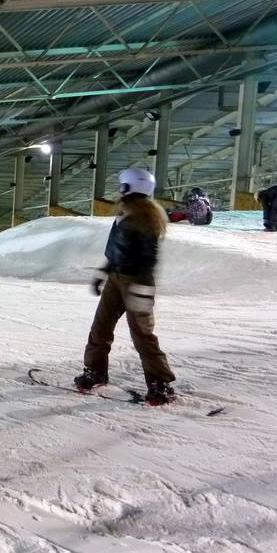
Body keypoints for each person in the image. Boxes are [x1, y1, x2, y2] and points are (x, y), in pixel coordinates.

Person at [75, 168, 176, 405]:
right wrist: (103, 273)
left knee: (142, 334)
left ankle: (160, 384)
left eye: (122, 186)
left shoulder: (145, 217)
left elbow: (149, 259)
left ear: (129, 187)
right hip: (116, 279)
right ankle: (95, 371)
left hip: (137, 282)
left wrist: (141, 288)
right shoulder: (126, 213)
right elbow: (116, 251)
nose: (120, 190)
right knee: (100, 327)